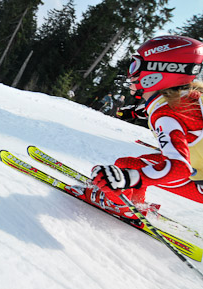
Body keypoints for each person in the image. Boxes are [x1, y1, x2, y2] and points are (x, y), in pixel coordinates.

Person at [80, 35, 203, 219]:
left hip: (195, 178)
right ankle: (134, 202)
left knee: (126, 166)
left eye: (136, 66)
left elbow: (179, 167)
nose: (132, 74)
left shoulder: (166, 114)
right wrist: (140, 112)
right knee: (142, 162)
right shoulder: (189, 99)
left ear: (159, 70)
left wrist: (128, 179)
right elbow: (189, 122)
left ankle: (121, 204)